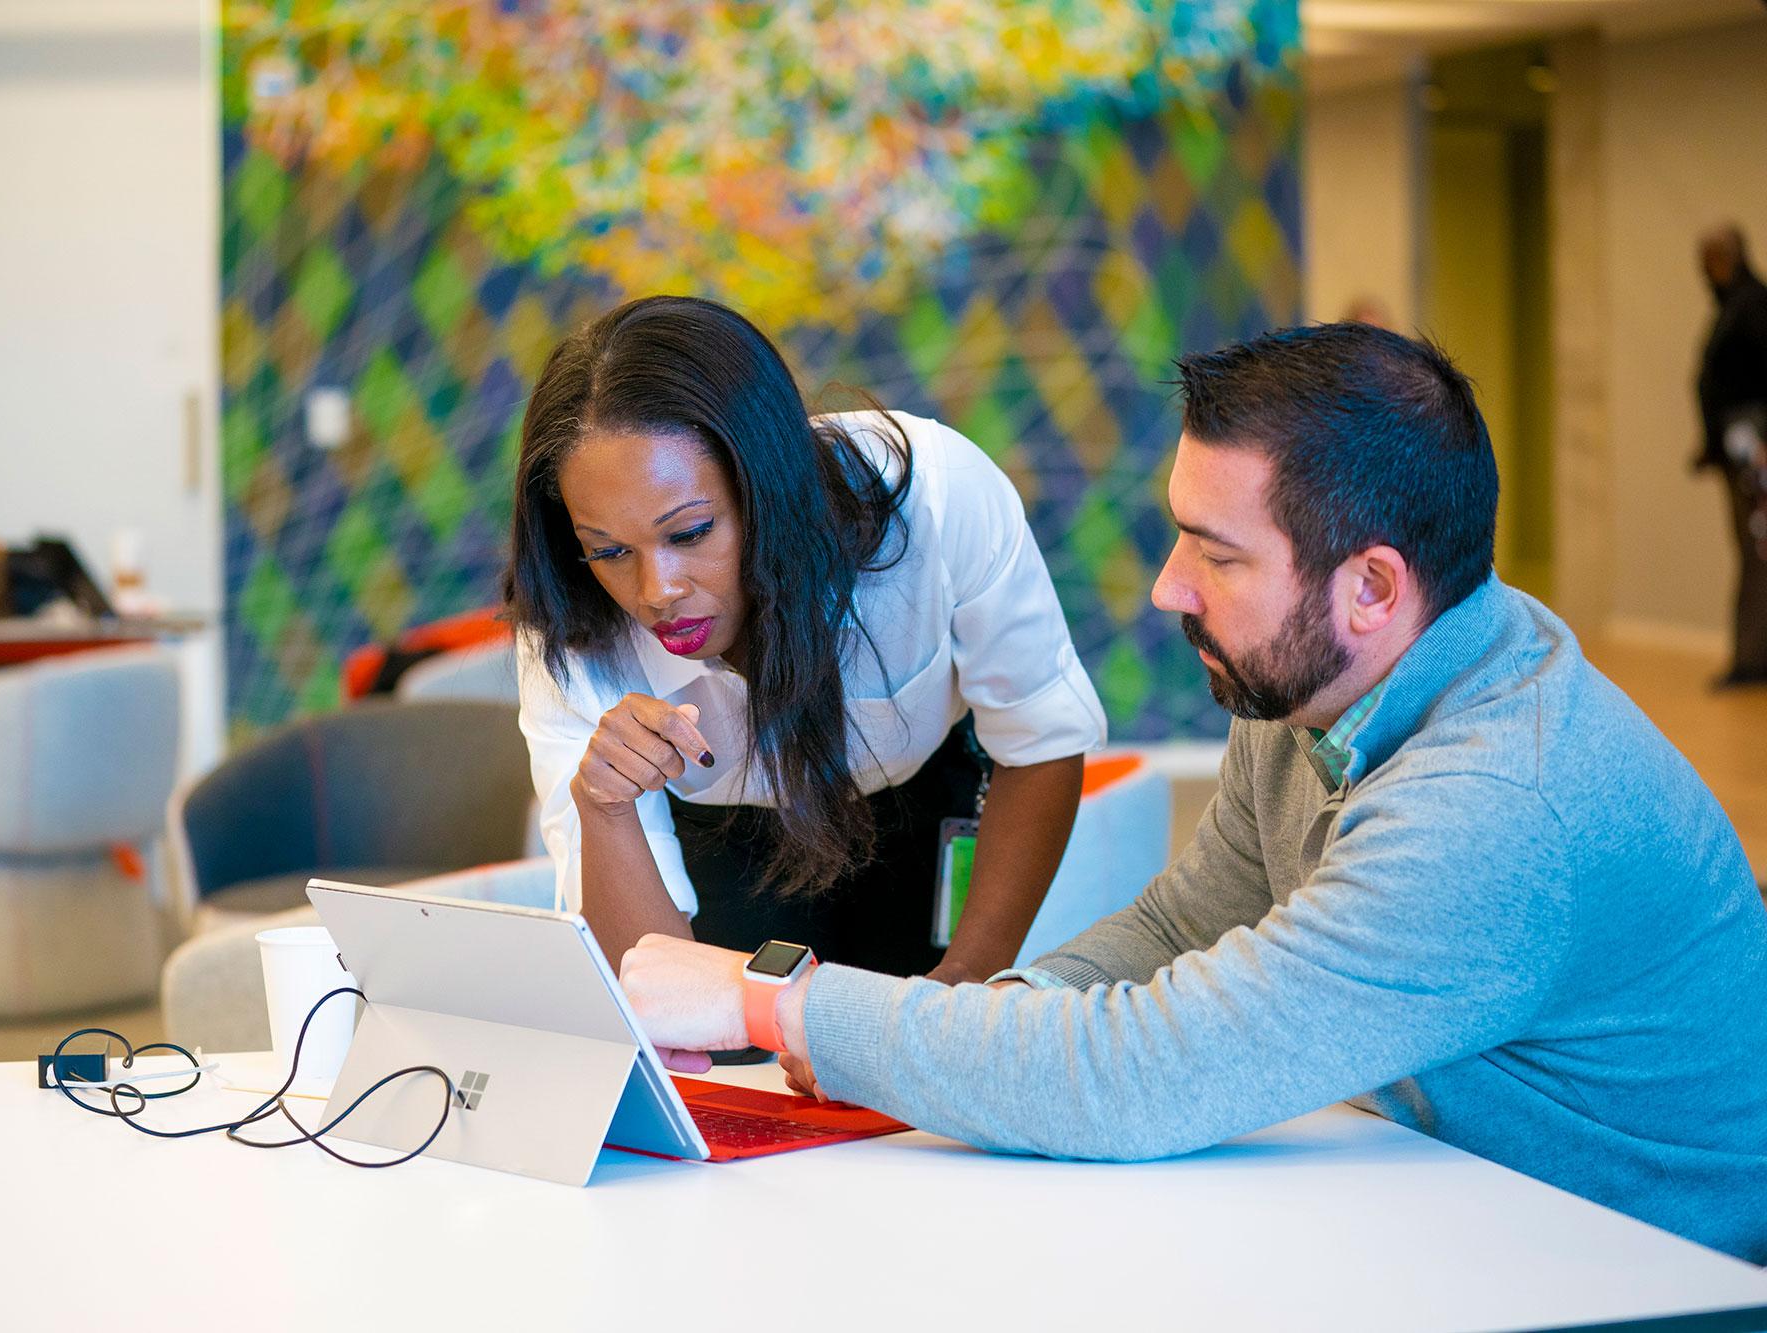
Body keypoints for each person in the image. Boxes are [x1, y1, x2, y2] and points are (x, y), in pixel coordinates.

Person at [622, 321, 1767, 1263]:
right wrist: (964, 1029)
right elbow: (1179, 929)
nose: (1169, 586)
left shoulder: (1497, 811)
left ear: (1368, 587)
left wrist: (769, 1001)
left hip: (1630, 1272)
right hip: (1459, 1200)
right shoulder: (1322, 690)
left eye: (1214, 555)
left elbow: (1138, 1077)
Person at [506, 295, 1106, 1004]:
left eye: (691, 532)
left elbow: (1039, 737)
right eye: (609, 550)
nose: (656, 590)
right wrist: (605, 805)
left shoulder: (936, 499)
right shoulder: (569, 622)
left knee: (920, 1065)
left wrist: (964, 990)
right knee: (733, 1068)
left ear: (770, 488)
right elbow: (652, 991)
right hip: (722, 840)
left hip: (918, 805)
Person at [1694, 224, 1767, 688]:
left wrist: (1756, 450)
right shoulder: (1736, 306)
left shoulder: (1753, 306)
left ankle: (1753, 660)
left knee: (1757, 552)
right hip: (1740, 448)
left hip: (1752, 450)